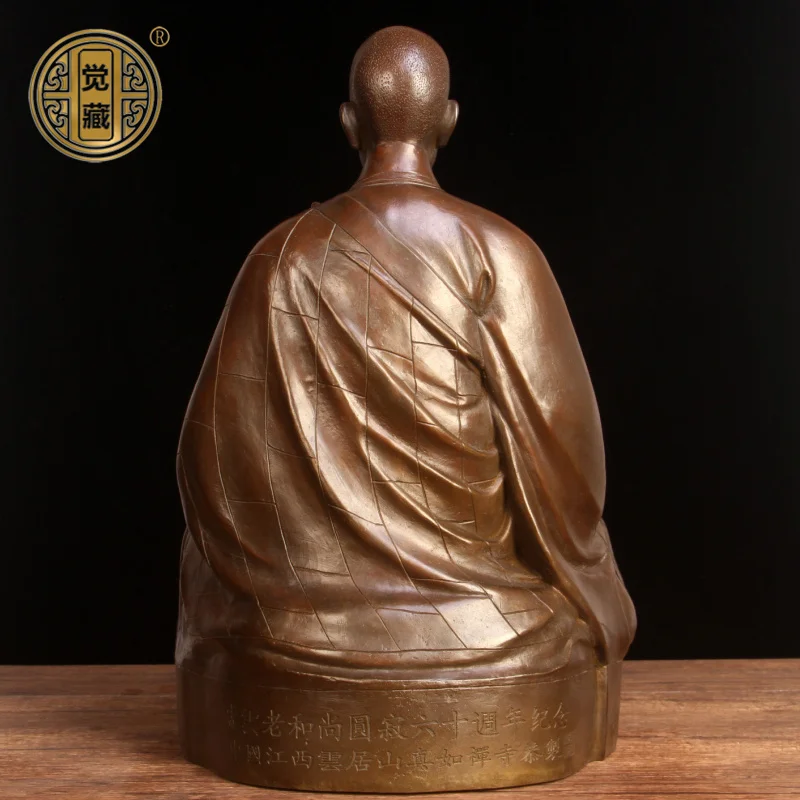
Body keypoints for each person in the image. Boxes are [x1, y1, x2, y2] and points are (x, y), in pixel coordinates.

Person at [176, 25, 636, 789]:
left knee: (214, 599)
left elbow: (207, 462)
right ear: (448, 122)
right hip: (486, 625)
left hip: (296, 627)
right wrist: (586, 575)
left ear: (348, 123)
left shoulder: (279, 258)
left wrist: (272, 581)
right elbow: (568, 464)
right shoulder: (501, 253)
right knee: (563, 621)